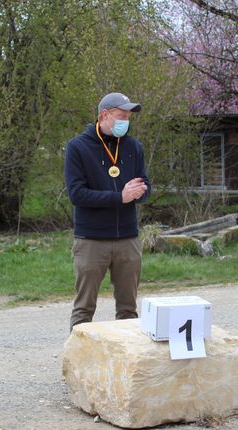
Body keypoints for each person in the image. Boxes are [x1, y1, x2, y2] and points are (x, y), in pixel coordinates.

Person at [64, 92, 151, 330]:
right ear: (105, 115)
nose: (126, 121)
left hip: (128, 239)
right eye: (121, 116)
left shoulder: (133, 147)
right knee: (84, 309)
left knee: (128, 311)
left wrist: (139, 192)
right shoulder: (77, 147)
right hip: (91, 240)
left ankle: (128, 365)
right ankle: (77, 364)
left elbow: (146, 185)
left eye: (129, 117)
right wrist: (119, 197)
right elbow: (77, 194)